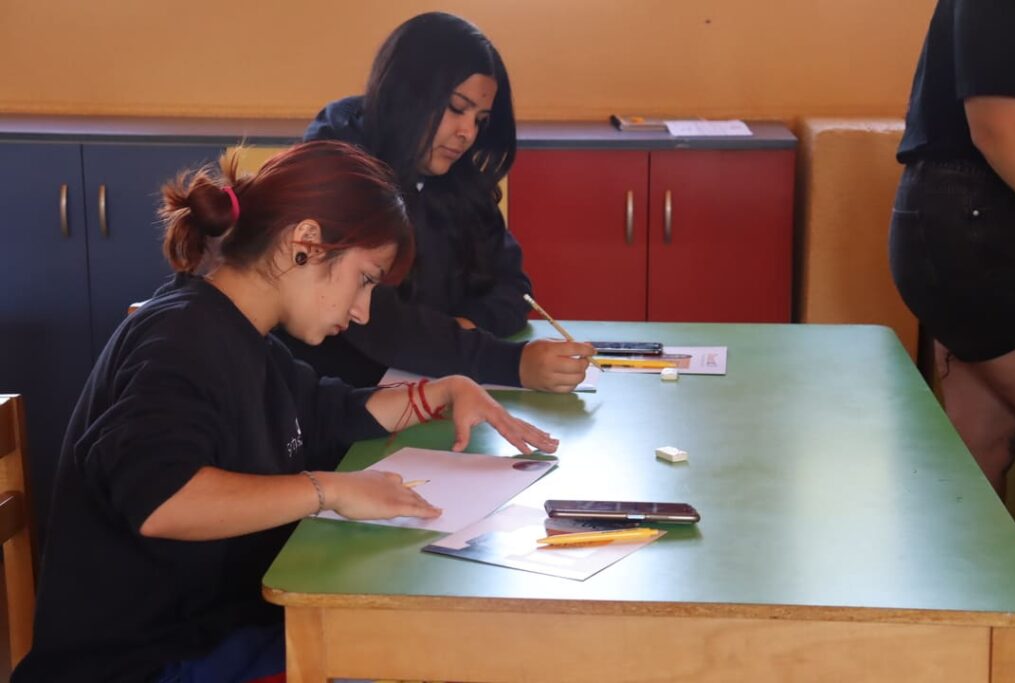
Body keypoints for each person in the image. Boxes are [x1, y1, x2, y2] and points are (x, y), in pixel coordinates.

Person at [12, 141, 558, 682]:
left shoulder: (245, 337)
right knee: (420, 653)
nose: (364, 312)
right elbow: (163, 500)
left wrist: (441, 392)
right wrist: (330, 489)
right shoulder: (181, 338)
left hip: (209, 636)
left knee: (415, 643)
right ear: (307, 243)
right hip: (147, 664)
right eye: (365, 279)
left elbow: (329, 412)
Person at [277, 11, 593, 394]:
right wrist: (509, 362)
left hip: (437, 387)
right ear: (409, 92)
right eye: (457, 108)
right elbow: (375, 320)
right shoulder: (339, 171)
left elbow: (512, 284)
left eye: (480, 119)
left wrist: (470, 326)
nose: (467, 133)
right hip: (337, 400)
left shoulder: (457, 179)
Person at [889, 0, 1015, 499]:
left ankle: (962, 578)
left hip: (975, 220)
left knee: (983, 442)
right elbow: (998, 130)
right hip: (973, 226)